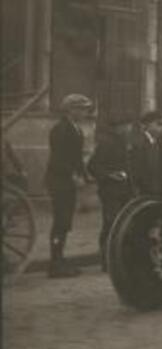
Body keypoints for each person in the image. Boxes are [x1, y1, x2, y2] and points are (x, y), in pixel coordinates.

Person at [45, 94, 93, 278]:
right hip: (59, 181)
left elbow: (77, 158)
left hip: (68, 180)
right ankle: (55, 263)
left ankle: (59, 259)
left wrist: (85, 175)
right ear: (70, 110)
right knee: (60, 222)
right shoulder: (60, 130)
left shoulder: (76, 130)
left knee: (65, 223)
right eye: (81, 109)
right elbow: (59, 159)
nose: (84, 112)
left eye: (85, 109)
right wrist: (73, 175)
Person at [88, 118, 133, 272]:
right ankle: (106, 260)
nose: (128, 128)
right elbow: (92, 166)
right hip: (110, 191)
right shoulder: (106, 144)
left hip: (125, 191)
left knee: (123, 224)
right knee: (111, 224)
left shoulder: (126, 143)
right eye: (126, 125)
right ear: (118, 127)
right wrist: (109, 175)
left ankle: (119, 259)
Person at [129, 110, 162, 198]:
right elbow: (135, 170)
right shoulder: (139, 143)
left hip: (157, 191)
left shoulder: (158, 143)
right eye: (159, 124)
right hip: (144, 193)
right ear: (147, 125)